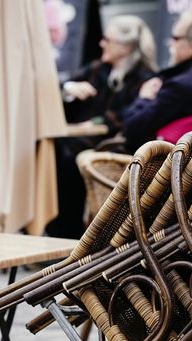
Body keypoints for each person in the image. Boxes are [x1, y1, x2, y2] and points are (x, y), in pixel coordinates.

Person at [48, 15, 158, 239]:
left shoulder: (145, 78)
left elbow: (132, 116)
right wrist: (69, 89)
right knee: (49, 151)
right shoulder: (97, 69)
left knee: (68, 159)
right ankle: (53, 229)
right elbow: (59, 87)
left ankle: (68, 236)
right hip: (79, 140)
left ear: (125, 47)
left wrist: (99, 122)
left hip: (114, 146)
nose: (101, 44)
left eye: (108, 40)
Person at [119, 9, 192, 152]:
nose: (170, 43)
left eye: (175, 38)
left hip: (158, 167)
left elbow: (132, 131)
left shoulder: (180, 86)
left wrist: (144, 98)